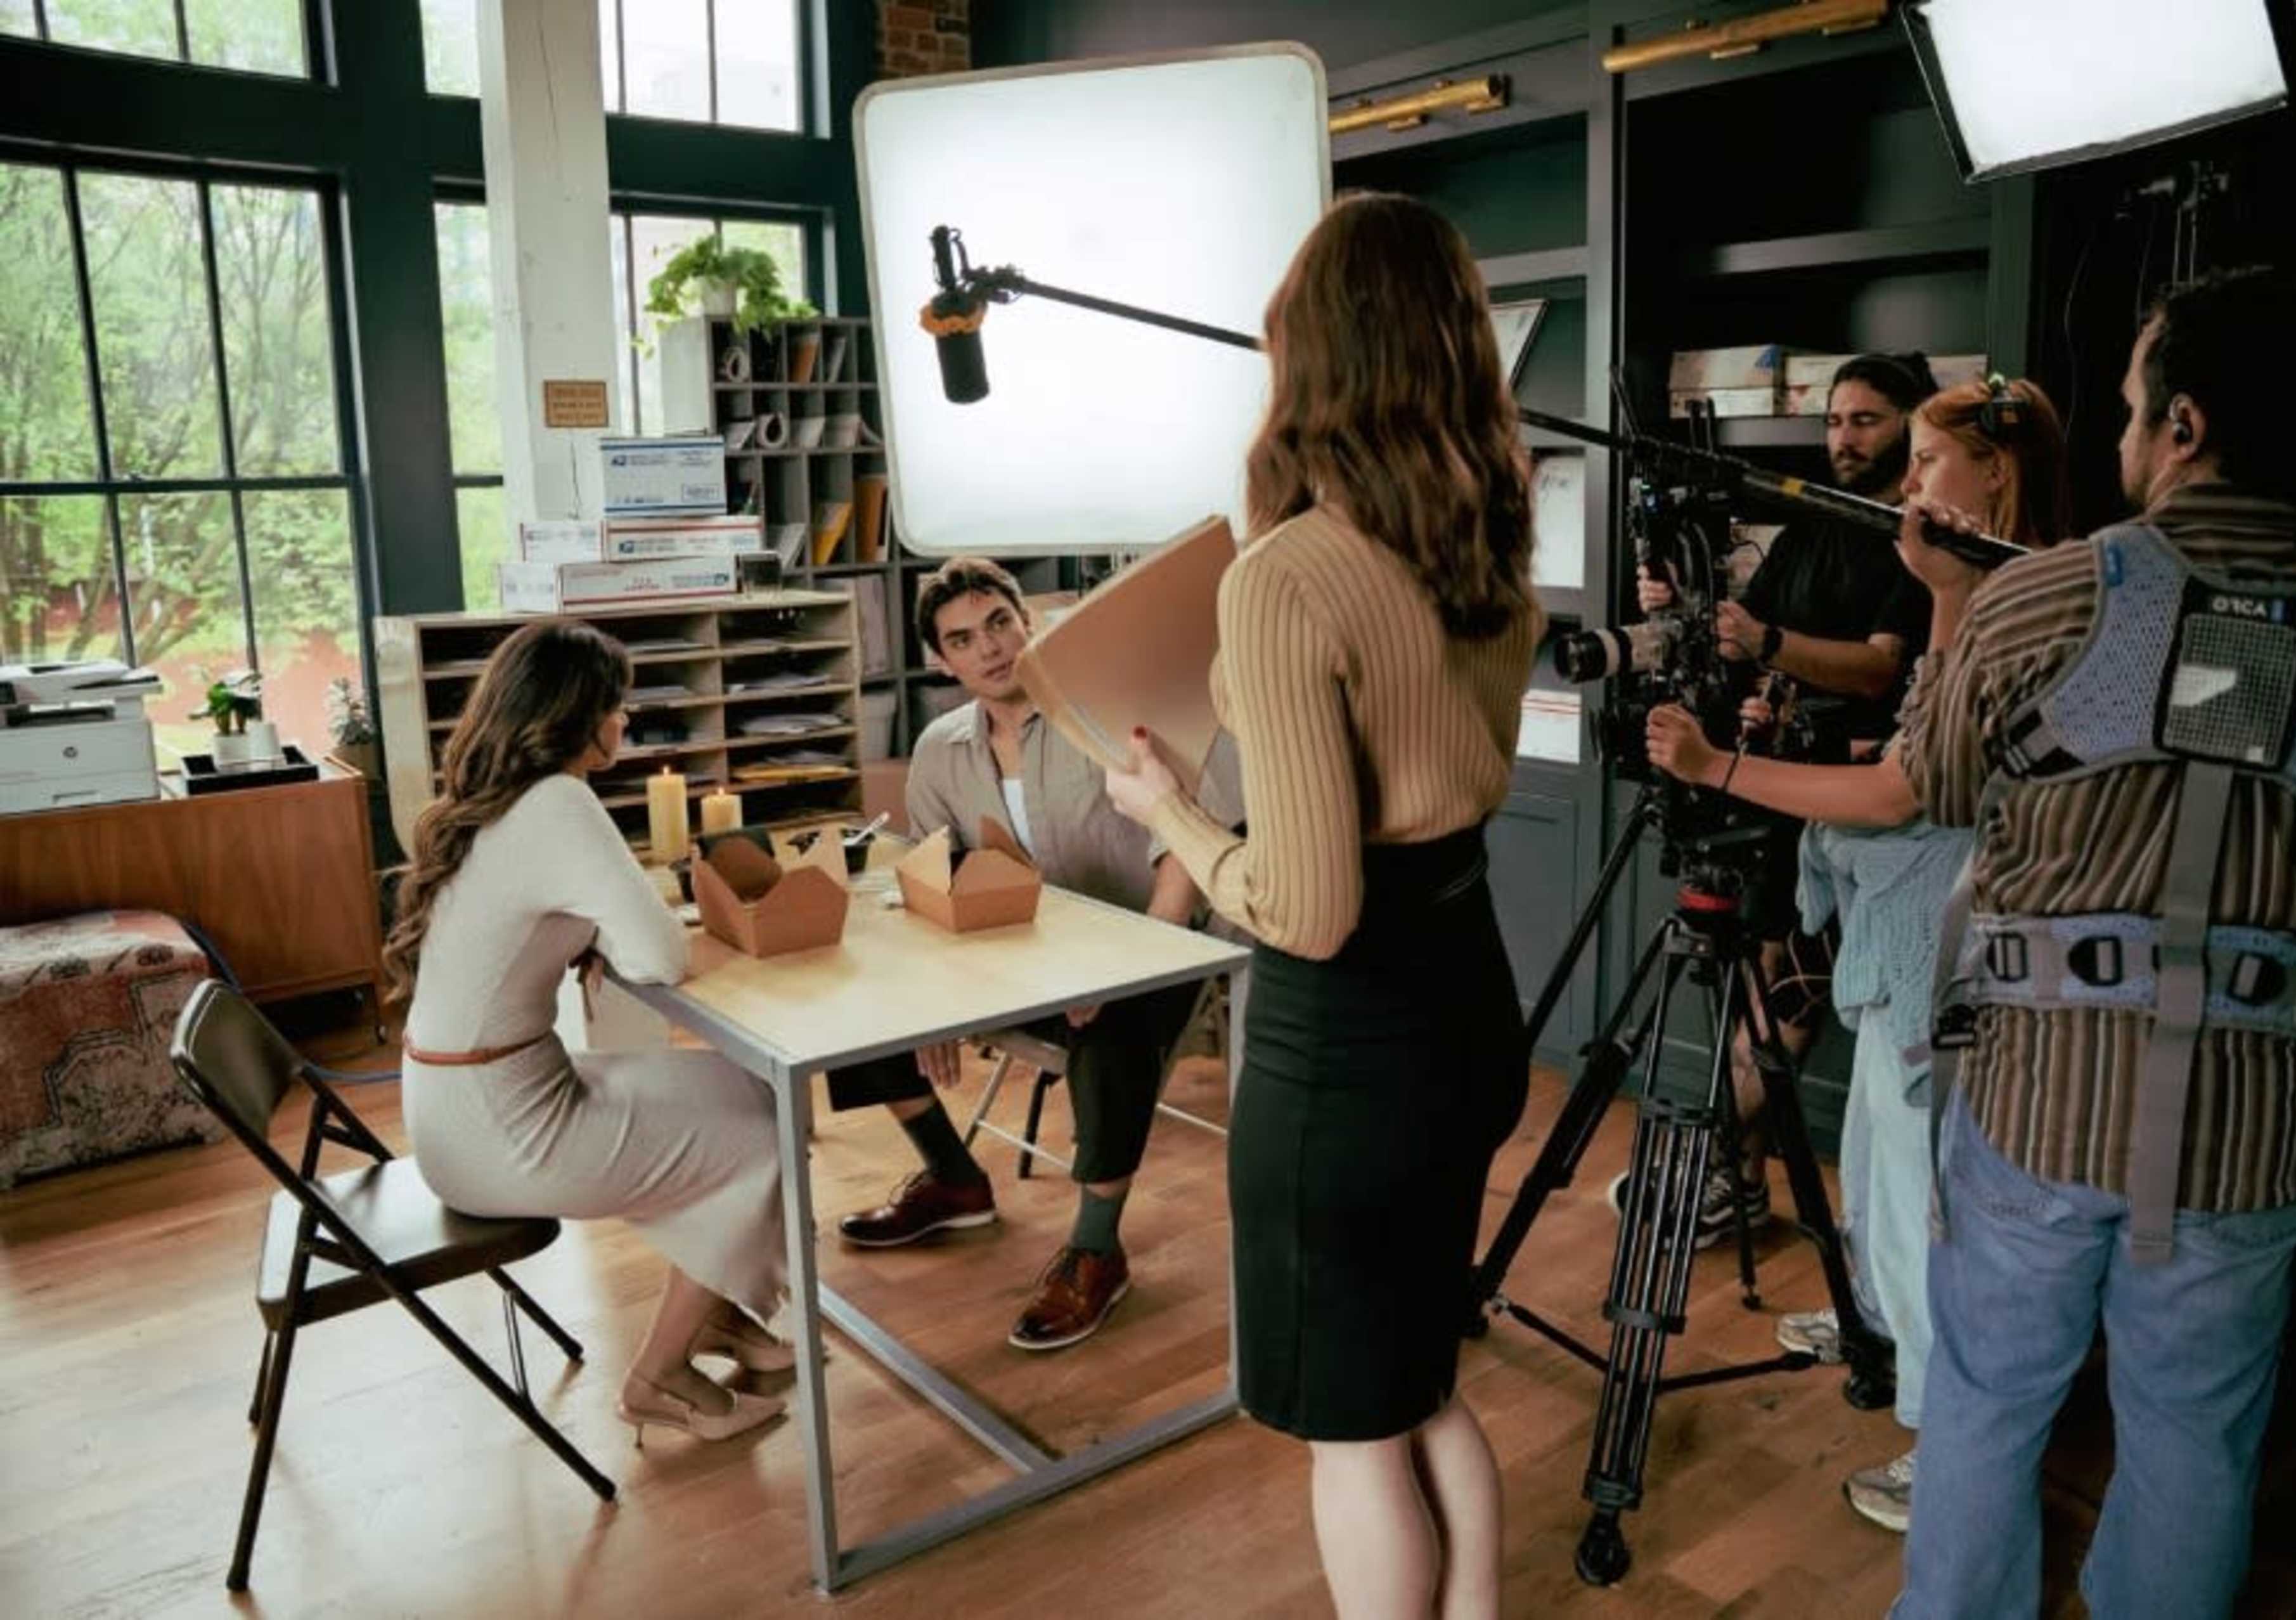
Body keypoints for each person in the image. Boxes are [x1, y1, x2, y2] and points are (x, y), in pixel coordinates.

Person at [1890, 269, 2296, 1618]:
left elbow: (1945, 783)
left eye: (2133, 407)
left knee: (1985, 1398)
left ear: (2183, 425)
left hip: (2037, 1096)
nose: (2124, 434)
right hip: (2260, 1122)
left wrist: (1949, 602)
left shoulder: (2040, 597)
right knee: (2199, 1436)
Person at [1104, 193, 1537, 1620]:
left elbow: (1306, 908)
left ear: (1314, 357)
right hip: (1467, 992)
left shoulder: (1286, 575)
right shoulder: (1486, 543)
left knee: (1353, 1426)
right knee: (1420, 1373)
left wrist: (1165, 808)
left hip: (1346, 1041)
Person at [1645, 376, 2071, 1534]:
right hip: (1898, 933)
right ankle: (1874, 1318)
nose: (1913, 486)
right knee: (1876, 1157)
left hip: (1948, 931)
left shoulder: (2028, 601)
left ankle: (1947, 1458)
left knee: (1919, 1191)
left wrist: (1715, 769)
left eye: (1930, 461)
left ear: (1995, 476)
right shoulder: (1970, 593)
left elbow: (1909, 784)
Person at [386, 619, 789, 1445]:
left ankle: (712, 1311)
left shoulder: (491, 802)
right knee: (765, 1129)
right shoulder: (558, 802)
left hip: (463, 1102)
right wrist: (609, 926)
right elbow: (660, 953)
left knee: (748, 1091)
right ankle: (660, 1374)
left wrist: (593, 929)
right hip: (504, 1127)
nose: (627, 721)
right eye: (618, 704)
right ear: (575, 713)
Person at [823, 557, 1240, 1352]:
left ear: (1029, 623)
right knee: (864, 1000)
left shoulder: (1107, 715)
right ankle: (953, 1176)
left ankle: (1095, 1246)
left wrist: (1123, 970)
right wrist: (927, 998)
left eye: (1000, 624)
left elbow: (1180, 854)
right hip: (1024, 951)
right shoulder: (941, 748)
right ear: (942, 660)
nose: (989, 648)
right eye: (962, 639)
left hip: (1151, 943)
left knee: (1113, 1030)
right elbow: (933, 876)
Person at [1631, 353, 1942, 1246]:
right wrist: (1694, 608)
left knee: (1788, 1007)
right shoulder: (1812, 522)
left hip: (1865, 808)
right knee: (1761, 993)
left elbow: (1883, 661)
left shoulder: (1916, 541)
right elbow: (1744, 641)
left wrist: (1771, 641)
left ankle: (1724, 1170)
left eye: (1866, 420)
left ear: (1910, 425)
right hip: (1781, 796)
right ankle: (1742, 1179)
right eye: (1835, 419)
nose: (1843, 437)